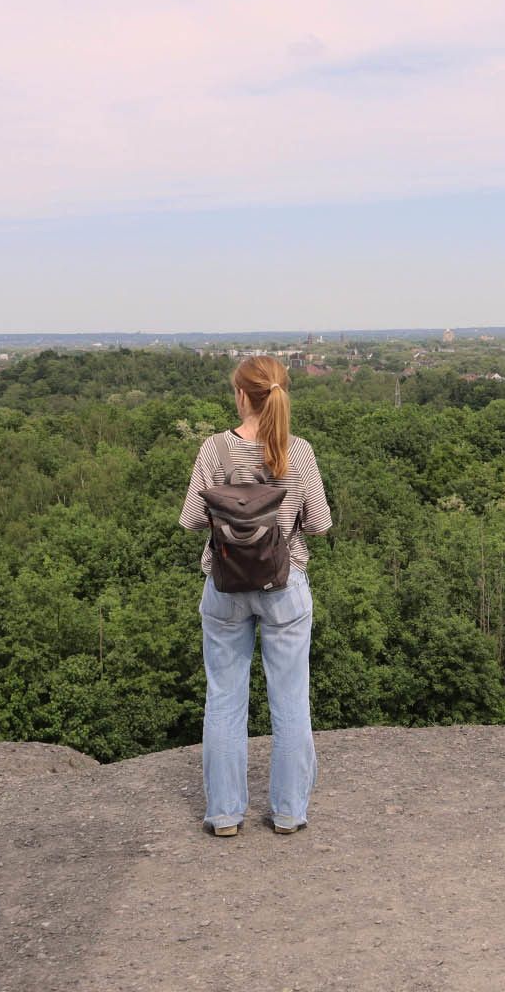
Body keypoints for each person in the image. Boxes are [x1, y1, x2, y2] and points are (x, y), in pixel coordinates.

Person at [179, 355, 334, 836]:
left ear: (243, 395)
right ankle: (288, 814)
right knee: (290, 700)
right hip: (285, 585)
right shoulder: (299, 452)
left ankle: (225, 815)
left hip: (225, 587)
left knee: (224, 699)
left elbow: (190, 521)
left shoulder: (213, 450)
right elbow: (320, 524)